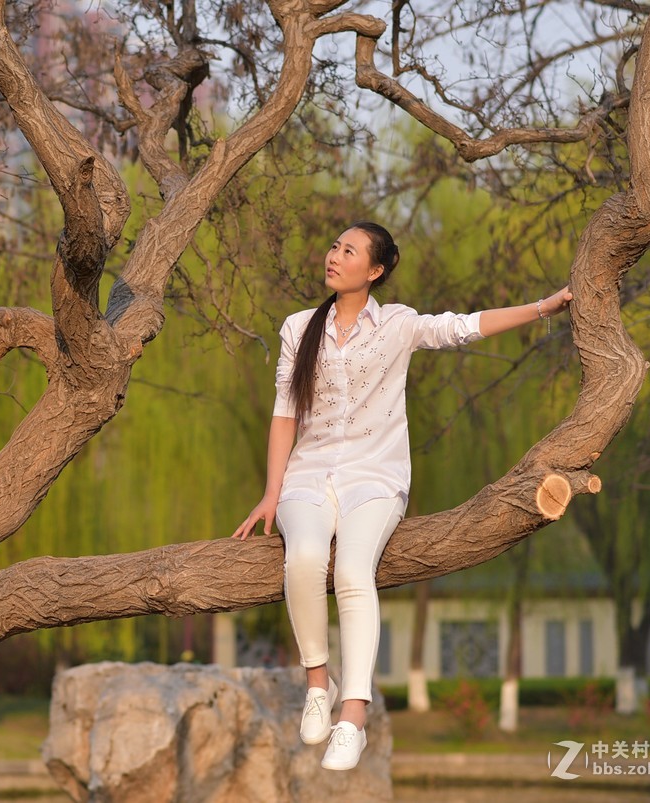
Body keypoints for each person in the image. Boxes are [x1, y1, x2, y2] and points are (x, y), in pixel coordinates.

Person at [232, 222, 572, 771]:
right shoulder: (298, 328)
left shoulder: (398, 324)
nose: (334, 256)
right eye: (334, 247)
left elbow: (464, 328)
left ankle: (355, 715)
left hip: (376, 476)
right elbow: (284, 414)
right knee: (306, 559)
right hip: (307, 475)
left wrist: (542, 308)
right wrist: (271, 493)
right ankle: (318, 679)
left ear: (376, 270)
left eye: (349, 251)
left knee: (351, 573)